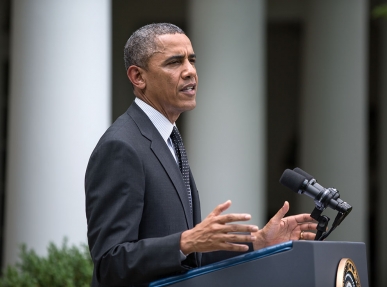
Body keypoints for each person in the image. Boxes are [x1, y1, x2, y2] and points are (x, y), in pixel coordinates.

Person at [85, 23, 317, 287]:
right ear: (138, 77)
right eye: (174, 62)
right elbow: (110, 263)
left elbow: (189, 259)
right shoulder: (121, 147)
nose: (190, 71)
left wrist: (259, 242)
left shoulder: (169, 140)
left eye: (192, 60)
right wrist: (186, 241)